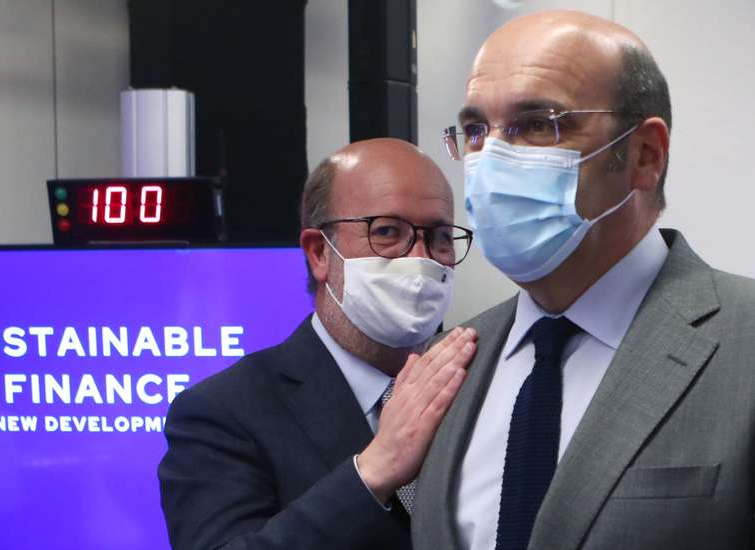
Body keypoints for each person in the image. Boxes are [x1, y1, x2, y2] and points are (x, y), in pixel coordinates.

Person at [413, 10, 755, 550]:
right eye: (477, 130)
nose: (492, 159)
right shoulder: (451, 361)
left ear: (645, 155)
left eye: (537, 124)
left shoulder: (744, 340)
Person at [158, 138, 479, 549]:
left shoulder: (483, 378)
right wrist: (374, 471)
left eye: (438, 237)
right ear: (318, 254)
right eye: (386, 231)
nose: (420, 258)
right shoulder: (223, 413)